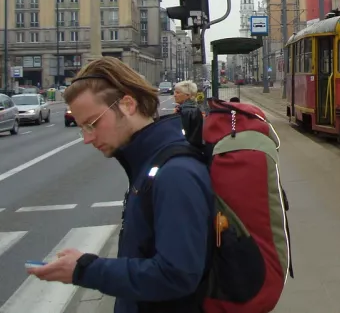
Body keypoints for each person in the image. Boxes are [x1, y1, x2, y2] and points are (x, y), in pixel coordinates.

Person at [27, 57, 214, 312]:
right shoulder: (149, 163)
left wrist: (85, 269)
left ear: (127, 104)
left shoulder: (175, 173)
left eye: (92, 124)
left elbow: (177, 275)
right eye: (82, 128)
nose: (87, 138)